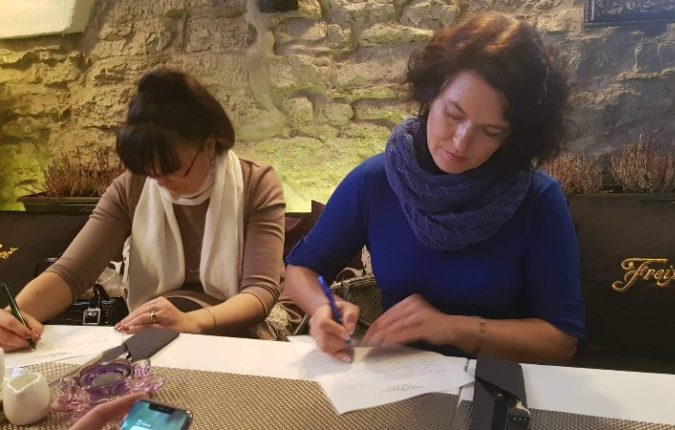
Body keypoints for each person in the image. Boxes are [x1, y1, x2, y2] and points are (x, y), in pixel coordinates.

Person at [284, 13, 584, 363]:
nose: (461, 142)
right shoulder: (377, 180)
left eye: (490, 132)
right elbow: (300, 270)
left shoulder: (538, 199)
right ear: (431, 94)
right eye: (454, 115)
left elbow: (561, 340)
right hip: (395, 376)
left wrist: (451, 328)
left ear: (515, 136)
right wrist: (323, 308)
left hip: (495, 381)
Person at [0, 68, 294, 351]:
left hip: (236, 333)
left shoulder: (255, 184)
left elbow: (259, 291)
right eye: (150, 172)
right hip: (157, 333)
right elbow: (72, 273)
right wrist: (15, 318)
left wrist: (192, 321)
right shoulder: (134, 186)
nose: (161, 185)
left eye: (173, 171)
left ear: (208, 145)